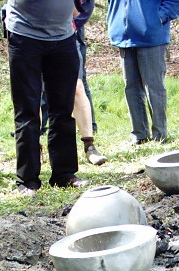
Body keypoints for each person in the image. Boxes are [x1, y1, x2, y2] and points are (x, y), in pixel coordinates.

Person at [5, 0, 87, 196]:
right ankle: (27, 180)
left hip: (64, 36)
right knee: (28, 110)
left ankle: (64, 174)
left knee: (63, 109)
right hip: (25, 37)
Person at [106, 0, 179, 144]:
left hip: (151, 35)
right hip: (123, 36)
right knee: (131, 88)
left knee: (153, 87)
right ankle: (139, 134)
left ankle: (160, 135)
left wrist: (159, 16)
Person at [74, 0, 106, 166]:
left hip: (68, 34)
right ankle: (35, 148)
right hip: (32, 37)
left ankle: (89, 147)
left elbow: (84, 8)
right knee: (36, 92)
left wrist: (70, 24)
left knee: (77, 88)